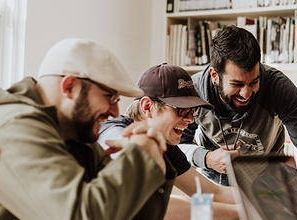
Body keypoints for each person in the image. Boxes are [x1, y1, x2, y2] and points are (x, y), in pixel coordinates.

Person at [0, 38, 175, 219]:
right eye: (109, 96)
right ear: (69, 87)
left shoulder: (75, 135)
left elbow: (130, 214)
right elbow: (82, 215)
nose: (114, 111)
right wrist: (139, 156)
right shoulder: (13, 127)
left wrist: (154, 157)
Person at [178, 25, 297, 205]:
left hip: (269, 187)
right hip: (214, 190)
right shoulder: (194, 91)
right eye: (237, 84)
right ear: (215, 75)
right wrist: (206, 158)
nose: (246, 93)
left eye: (254, 82)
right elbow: (178, 146)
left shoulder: (278, 87)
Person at [98, 63, 240, 220]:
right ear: (147, 107)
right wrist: (241, 213)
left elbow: (213, 192)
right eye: (181, 110)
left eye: (192, 111)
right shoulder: (113, 132)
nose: (190, 119)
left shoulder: (164, 145)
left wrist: (264, 197)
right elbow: (151, 205)